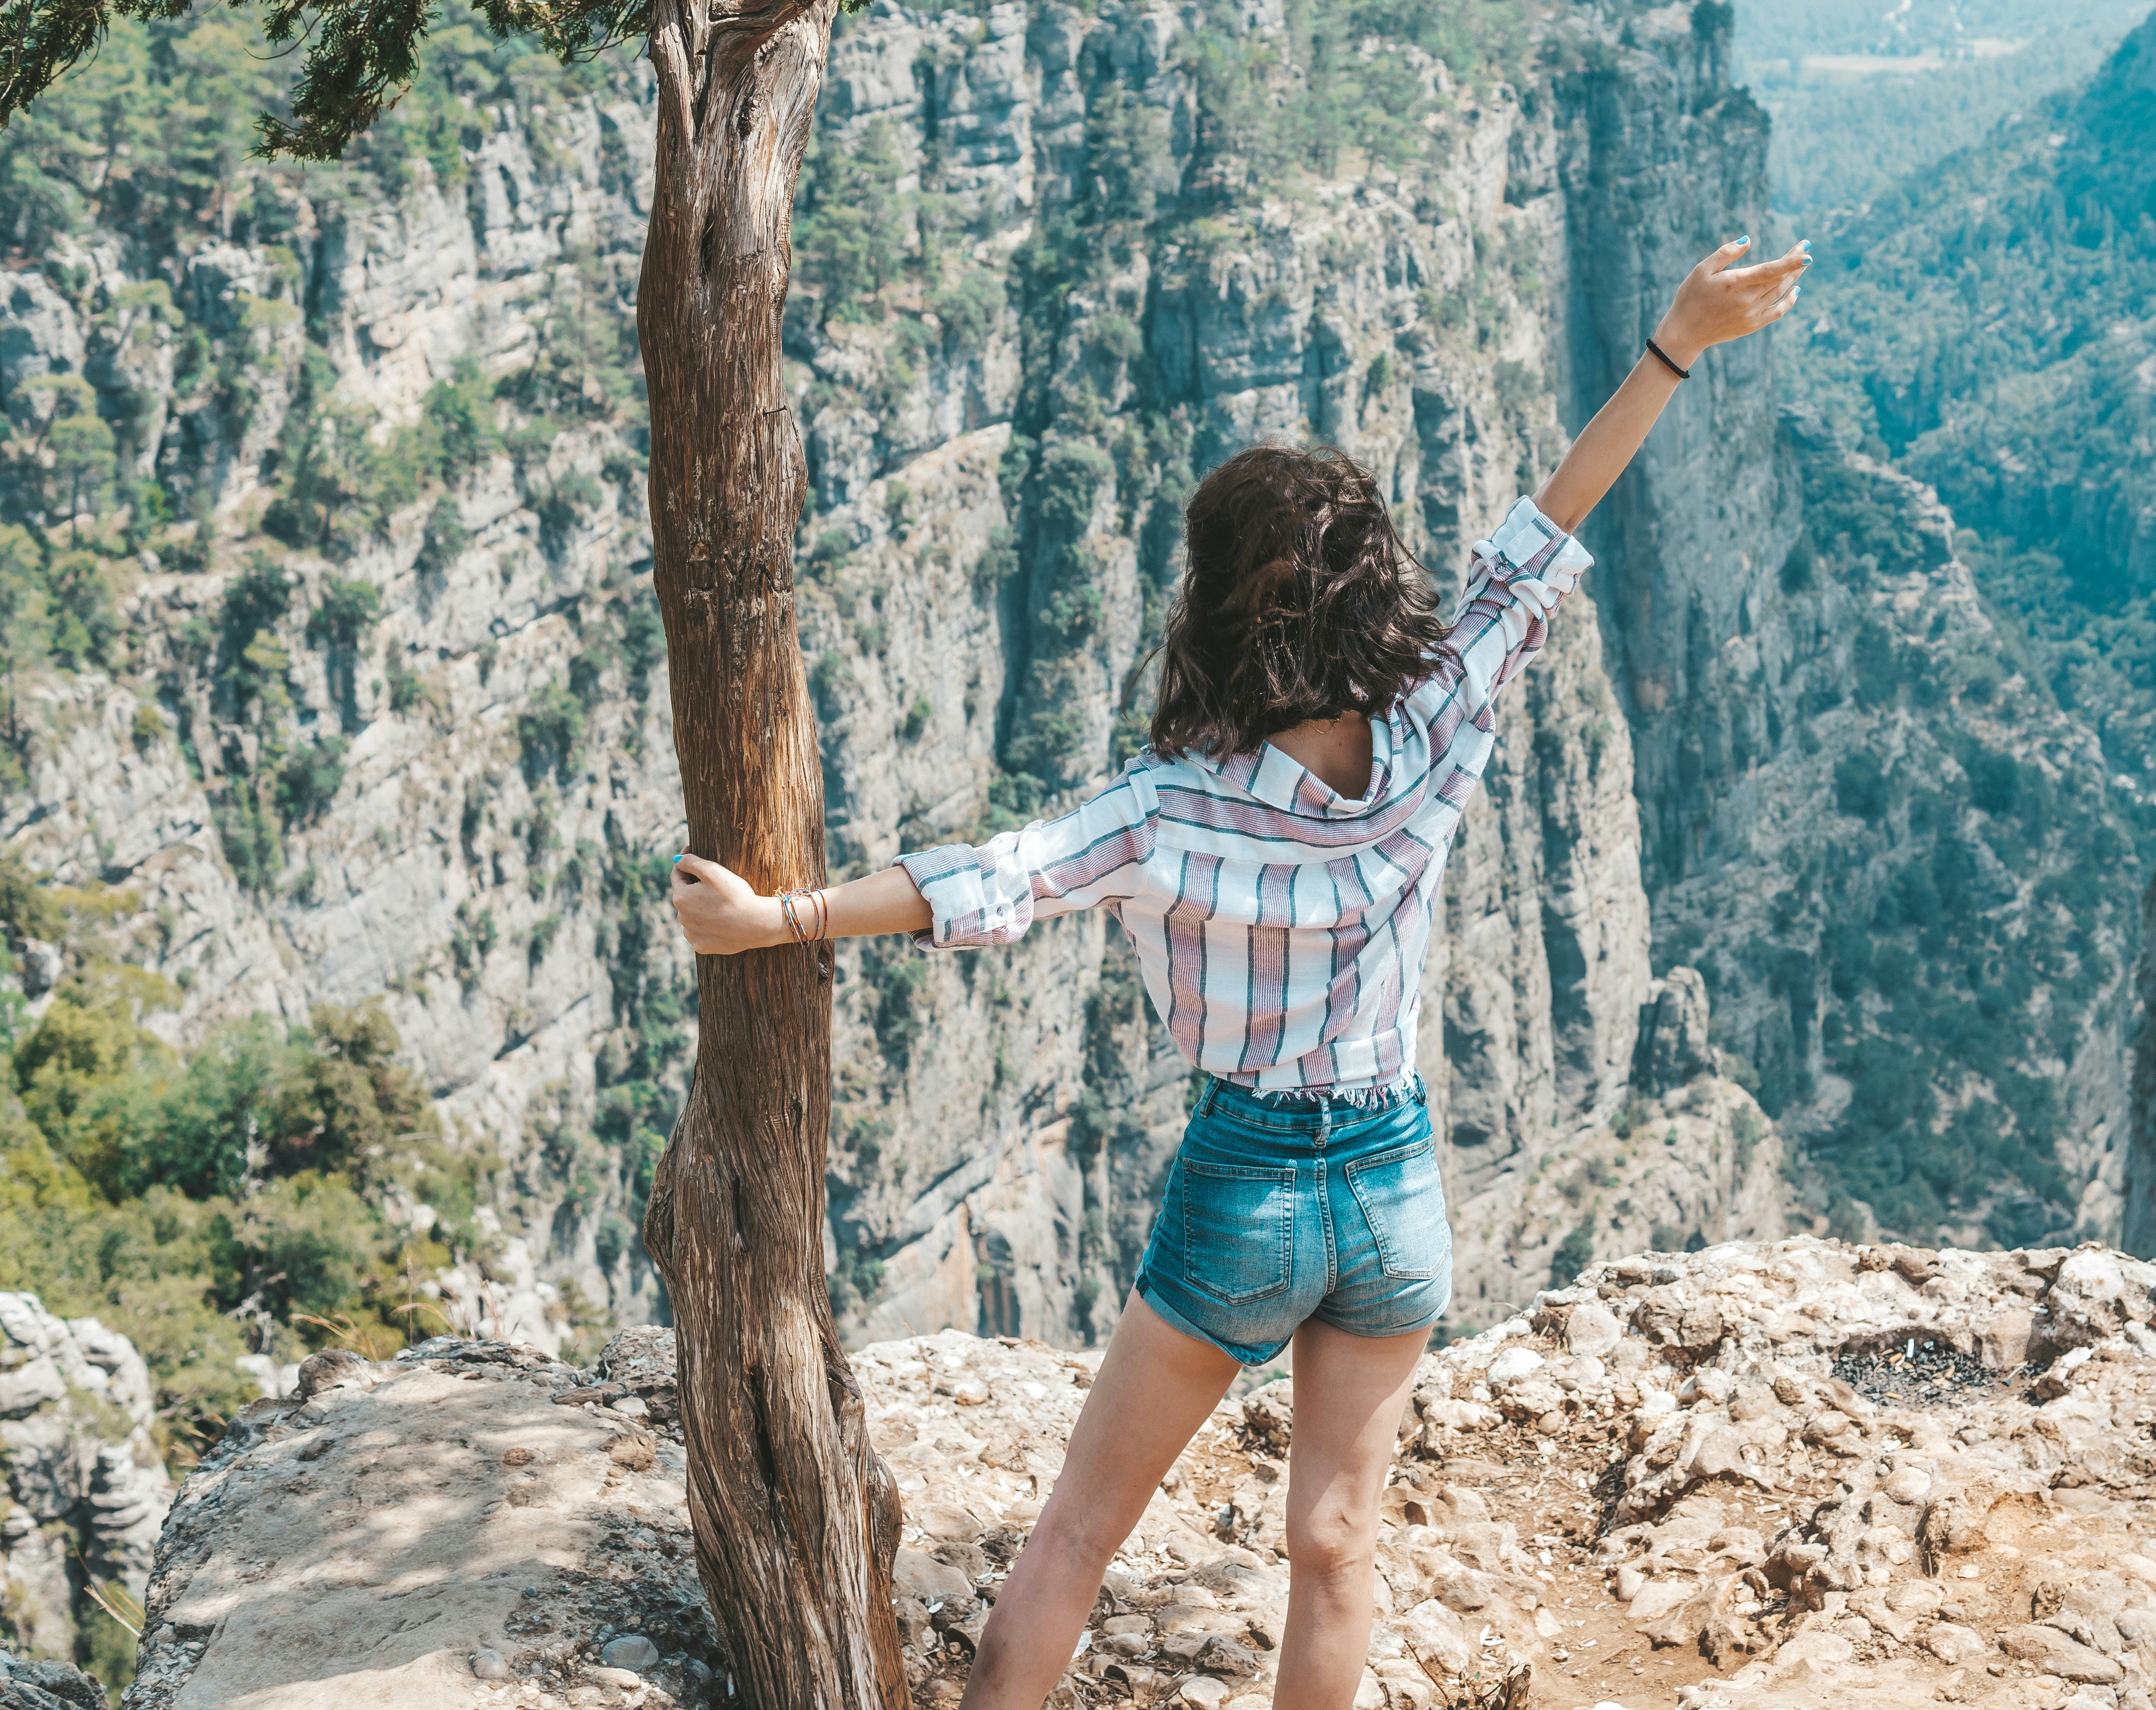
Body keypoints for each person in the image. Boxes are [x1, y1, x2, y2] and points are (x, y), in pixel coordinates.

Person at [668, 233, 1811, 1710]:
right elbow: (1543, 533)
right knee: (1335, 1544)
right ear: (1371, 591)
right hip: (1398, 1189)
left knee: (1078, 1532)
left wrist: (777, 921)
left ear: (1216, 603)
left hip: (1249, 1190)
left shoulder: (1166, 810)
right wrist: (1672, 344)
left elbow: (985, 884)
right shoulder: (1433, 727)